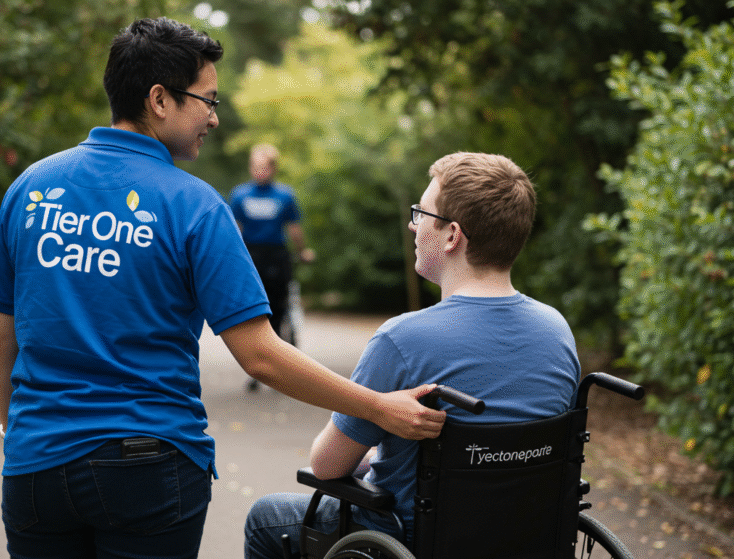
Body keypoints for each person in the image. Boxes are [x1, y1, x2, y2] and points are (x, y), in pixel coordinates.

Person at [0, 17, 445, 559]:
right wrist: (379, 408)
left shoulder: (29, 188)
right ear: (159, 99)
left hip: (37, 467)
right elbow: (261, 357)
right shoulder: (195, 205)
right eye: (207, 100)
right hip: (149, 466)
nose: (215, 118)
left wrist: (20, 434)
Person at [244, 152, 582, 559]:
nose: (412, 224)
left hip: (414, 536)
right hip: (524, 536)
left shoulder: (403, 339)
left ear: (452, 235)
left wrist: (372, 456)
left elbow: (328, 466)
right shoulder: (556, 330)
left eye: (421, 213)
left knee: (265, 518)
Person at [229, 144, 314, 343]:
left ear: (274, 168)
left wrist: (302, 251)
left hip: (276, 256)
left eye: (265, 166)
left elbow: (294, 228)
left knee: (277, 307)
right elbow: (235, 229)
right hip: (251, 255)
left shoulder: (285, 195)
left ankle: (278, 354)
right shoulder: (240, 194)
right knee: (251, 307)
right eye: (256, 166)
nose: (260, 171)